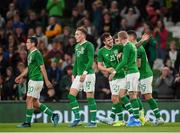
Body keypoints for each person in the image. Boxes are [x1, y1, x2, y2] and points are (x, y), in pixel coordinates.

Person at [15, 36, 59, 128]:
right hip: (32, 80)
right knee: (35, 103)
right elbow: (28, 68)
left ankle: (27, 123)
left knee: (29, 100)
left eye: (28, 42)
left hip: (36, 80)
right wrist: (20, 76)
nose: (26, 44)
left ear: (33, 44)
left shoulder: (37, 53)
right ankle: (54, 115)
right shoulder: (30, 53)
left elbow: (42, 67)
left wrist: (47, 81)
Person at [127, 30, 164, 125]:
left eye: (127, 37)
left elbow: (138, 64)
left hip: (144, 75)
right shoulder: (135, 48)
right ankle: (141, 117)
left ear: (132, 38)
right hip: (140, 75)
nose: (126, 39)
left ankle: (159, 117)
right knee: (135, 95)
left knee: (147, 96)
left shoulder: (138, 49)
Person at [68, 27, 97, 128]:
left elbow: (90, 60)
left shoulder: (89, 45)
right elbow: (76, 62)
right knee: (71, 95)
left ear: (83, 35)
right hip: (79, 75)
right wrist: (73, 74)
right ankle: (77, 119)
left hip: (88, 74)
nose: (76, 36)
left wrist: (84, 72)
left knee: (90, 97)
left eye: (78, 34)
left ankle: (93, 121)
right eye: (75, 34)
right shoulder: (76, 46)